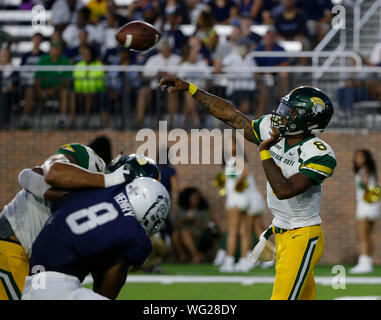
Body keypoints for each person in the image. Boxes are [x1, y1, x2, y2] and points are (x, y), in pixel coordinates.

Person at [159, 76, 337, 300]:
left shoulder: (319, 152)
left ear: (305, 119)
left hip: (302, 236)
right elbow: (231, 115)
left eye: (289, 111)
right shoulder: (276, 132)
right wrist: (192, 89)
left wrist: (264, 151)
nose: (281, 114)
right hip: (281, 234)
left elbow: (284, 190)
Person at [0, 143, 159, 300]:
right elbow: (48, 172)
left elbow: (104, 291)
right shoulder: (89, 160)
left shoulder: (119, 225)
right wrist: (108, 180)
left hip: (43, 272)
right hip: (13, 244)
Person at [22, 177, 171, 300]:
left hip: (32, 284)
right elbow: (106, 291)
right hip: (57, 289)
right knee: (120, 261)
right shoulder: (135, 236)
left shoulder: (96, 193)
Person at [136, 38, 181, 128]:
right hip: (154, 88)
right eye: (164, 47)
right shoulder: (153, 59)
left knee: (171, 92)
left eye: (168, 46)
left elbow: (181, 75)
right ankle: (140, 122)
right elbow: (145, 74)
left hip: (171, 88)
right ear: (160, 48)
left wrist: (170, 77)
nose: (166, 49)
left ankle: (172, 124)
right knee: (143, 92)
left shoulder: (178, 59)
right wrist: (157, 75)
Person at [350, 149, 380, 274]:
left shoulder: (365, 171)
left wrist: (365, 181)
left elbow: (367, 186)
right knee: (367, 236)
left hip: (366, 206)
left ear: (366, 158)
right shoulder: (368, 170)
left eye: (361, 157)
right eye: (357, 157)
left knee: (362, 236)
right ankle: (367, 262)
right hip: (371, 206)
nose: (358, 159)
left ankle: (364, 264)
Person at [34, 40, 72, 128]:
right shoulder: (43, 60)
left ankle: (62, 119)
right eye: (53, 48)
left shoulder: (65, 61)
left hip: (58, 90)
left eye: (57, 48)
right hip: (42, 89)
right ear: (50, 50)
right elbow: (37, 78)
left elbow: (67, 80)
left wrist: (54, 89)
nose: (55, 50)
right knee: (29, 91)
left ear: (61, 51)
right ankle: (26, 118)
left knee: (65, 92)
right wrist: (40, 91)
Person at [171, 187, 210, 263]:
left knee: (185, 233)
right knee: (176, 234)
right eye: (193, 198)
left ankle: (195, 256)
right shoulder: (181, 210)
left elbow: (205, 226)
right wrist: (184, 221)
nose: (195, 200)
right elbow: (173, 224)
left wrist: (194, 221)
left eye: (197, 198)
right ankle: (182, 255)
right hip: (181, 232)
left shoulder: (202, 211)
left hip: (197, 232)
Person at [19, 33, 46, 129]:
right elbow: (21, 70)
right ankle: (26, 116)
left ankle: (26, 116)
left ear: (41, 41)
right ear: (32, 39)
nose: (37, 41)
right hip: (26, 83)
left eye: (39, 39)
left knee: (32, 88)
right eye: (35, 38)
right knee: (29, 89)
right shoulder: (25, 55)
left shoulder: (44, 55)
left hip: (39, 84)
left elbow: (44, 72)